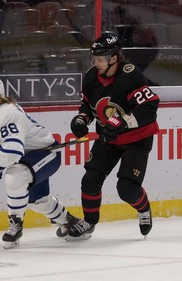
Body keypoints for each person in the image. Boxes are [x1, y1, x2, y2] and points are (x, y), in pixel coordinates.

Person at [0, 75, 79, 249]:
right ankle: (71, 222)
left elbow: (12, 152)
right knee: (38, 201)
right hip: (27, 159)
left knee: (14, 176)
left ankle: (15, 225)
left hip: (46, 154)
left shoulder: (8, 113)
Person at [67, 33, 159, 241]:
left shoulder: (131, 75)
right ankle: (89, 222)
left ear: (114, 58)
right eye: (94, 58)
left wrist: (120, 122)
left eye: (99, 59)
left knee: (126, 189)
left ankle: (143, 209)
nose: (95, 63)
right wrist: (82, 119)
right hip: (109, 138)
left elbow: (148, 108)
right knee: (90, 180)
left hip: (137, 139)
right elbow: (88, 107)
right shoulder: (91, 77)